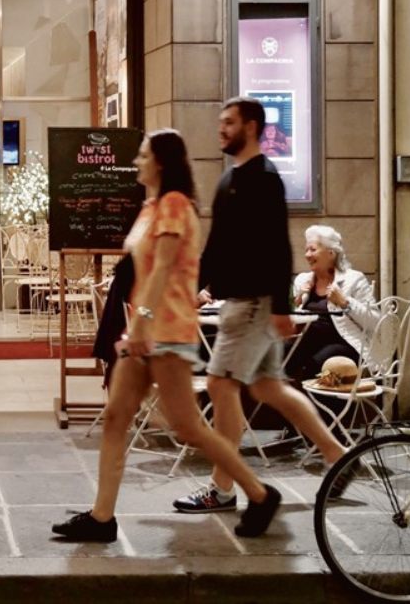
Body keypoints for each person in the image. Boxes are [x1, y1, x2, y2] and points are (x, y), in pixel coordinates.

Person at [52, 129, 282, 542]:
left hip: (168, 333)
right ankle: (102, 517)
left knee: (189, 427)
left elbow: (161, 269)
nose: (136, 161)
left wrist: (139, 324)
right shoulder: (151, 207)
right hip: (145, 332)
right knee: (116, 419)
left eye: (142, 155)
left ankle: (259, 493)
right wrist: (137, 326)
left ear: (161, 161)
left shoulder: (175, 205)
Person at [172, 97, 346, 515]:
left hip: (253, 305)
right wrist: (191, 289)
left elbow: (277, 246)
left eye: (229, 123)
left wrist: (281, 307)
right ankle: (339, 457)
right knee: (269, 388)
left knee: (220, 385)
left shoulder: (265, 178)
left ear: (250, 127)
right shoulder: (227, 179)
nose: (221, 129)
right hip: (241, 302)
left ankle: (224, 487)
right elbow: (215, 248)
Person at [286, 225, 379, 382]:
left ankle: (305, 403)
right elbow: (295, 321)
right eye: (306, 250)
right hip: (308, 343)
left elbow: (375, 322)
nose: (307, 255)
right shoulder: (303, 280)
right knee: (280, 353)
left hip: (346, 343)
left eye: (312, 249)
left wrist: (345, 302)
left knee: (314, 365)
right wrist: (298, 300)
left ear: (331, 253)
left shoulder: (354, 279)